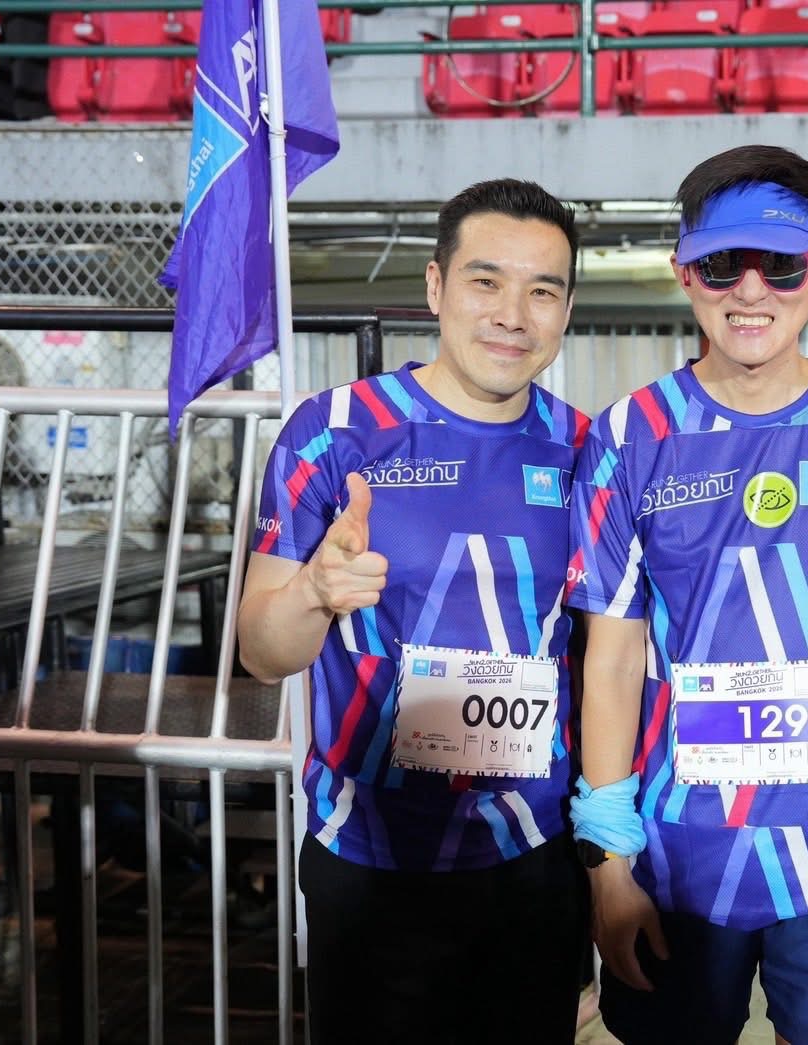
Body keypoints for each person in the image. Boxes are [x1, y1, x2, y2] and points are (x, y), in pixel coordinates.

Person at [566, 144, 808, 1045]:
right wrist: (609, 864)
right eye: (722, 264)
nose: (750, 291)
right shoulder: (629, 438)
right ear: (683, 273)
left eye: (779, 265)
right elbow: (612, 663)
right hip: (677, 859)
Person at [237, 178, 590, 1044]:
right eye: (485, 281)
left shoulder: (589, 450)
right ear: (435, 286)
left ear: (565, 310)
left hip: (534, 854)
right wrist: (312, 592)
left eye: (542, 291)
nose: (512, 314)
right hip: (370, 856)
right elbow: (261, 651)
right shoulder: (333, 432)